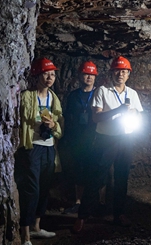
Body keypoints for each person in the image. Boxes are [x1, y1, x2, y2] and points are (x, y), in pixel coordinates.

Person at [73, 56, 143, 232]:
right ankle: (82, 216)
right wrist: (119, 110)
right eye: (117, 70)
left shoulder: (132, 94)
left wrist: (134, 113)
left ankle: (118, 214)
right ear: (112, 73)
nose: (120, 74)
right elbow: (96, 117)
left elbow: (140, 116)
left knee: (122, 178)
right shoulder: (102, 91)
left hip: (125, 139)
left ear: (128, 74)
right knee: (96, 177)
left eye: (124, 71)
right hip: (106, 140)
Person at [15, 57, 63, 245]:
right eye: (46, 73)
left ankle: (36, 227)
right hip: (31, 147)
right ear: (37, 75)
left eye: (52, 74)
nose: (50, 77)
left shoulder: (53, 97)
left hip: (49, 147)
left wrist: (53, 125)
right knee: (31, 190)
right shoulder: (27, 96)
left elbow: (59, 123)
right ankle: (25, 234)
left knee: (44, 188)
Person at [61, 61, 100, 215]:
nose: (88, 77)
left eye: (91, 74)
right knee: (79, 169)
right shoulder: (73, 96)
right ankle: (78, 202)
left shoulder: (99, 94)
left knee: (97, 169)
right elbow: (67, 117)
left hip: (96, 137)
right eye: (86, 74)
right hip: (78, 139)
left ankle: (98, 202)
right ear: (79, 76)